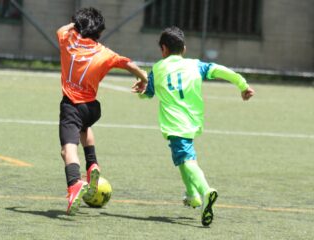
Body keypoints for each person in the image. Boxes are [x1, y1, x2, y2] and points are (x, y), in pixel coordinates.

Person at [132, 26, 255, 226]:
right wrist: (242, 85)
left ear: (163, 49)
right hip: (192, 120)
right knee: (181, 158)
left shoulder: (157, 68)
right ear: (184, 48)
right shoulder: (195, 65)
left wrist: (140, 89)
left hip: (174, 123)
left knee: (187, 160)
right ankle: (192, 195)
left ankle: (206, 191)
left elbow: (148, 94)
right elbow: (219, 70)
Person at [57, 7, 147, 215]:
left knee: (67, 150)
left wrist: (74, 23)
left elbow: (62, 29)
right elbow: (128, 64)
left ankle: (74, 184)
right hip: (92, 108)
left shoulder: (67, 40)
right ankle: (92, 164)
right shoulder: (104, 53)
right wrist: (143, 78)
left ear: (77, 27)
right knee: (84, 126)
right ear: (99, 33)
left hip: (72, 105)